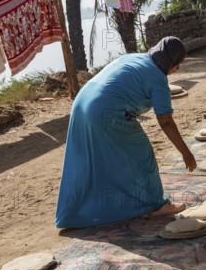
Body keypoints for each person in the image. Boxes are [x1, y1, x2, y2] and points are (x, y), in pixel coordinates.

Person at [55, 36, 196, 229]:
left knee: (89, 159)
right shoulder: (158, 79)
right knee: (142, 154)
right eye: (178, 65)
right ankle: (155, 205)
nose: (177, 69)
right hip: (106, 112)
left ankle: (74, 212)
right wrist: (186, 153)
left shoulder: (134, 58)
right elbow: (166, 122)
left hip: (81, 104)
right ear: (171, 62)